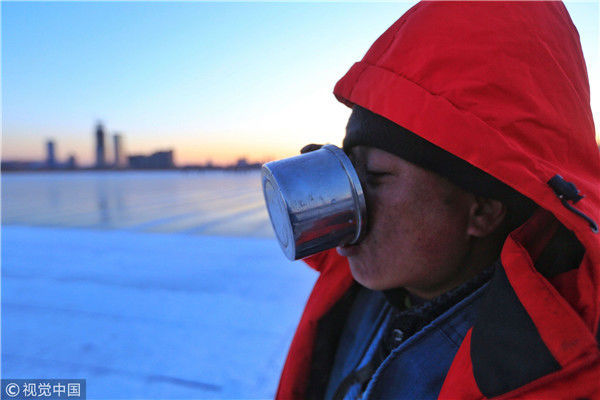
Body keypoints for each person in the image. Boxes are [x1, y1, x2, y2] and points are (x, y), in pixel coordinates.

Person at [275, 2, 600, 399]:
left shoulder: (552, 373)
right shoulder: (359, 290)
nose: (349, 204)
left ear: (482, 210)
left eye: (374, 177)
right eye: (348, 171)